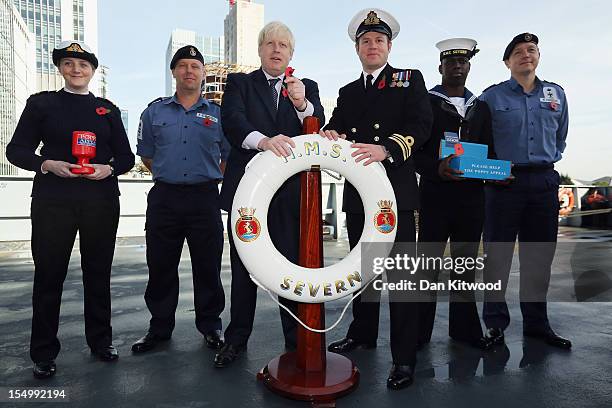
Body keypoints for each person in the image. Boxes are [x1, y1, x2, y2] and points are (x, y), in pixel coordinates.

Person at [6, 41, 135, 379]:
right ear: (60, 68)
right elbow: (16, 150)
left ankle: (101, 341)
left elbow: (125, 157)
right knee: (49, 275)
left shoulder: (107, 109)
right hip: (54, 200)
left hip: (100, 200)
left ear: (93, 70)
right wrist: (46, 163)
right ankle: (44, 352)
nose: (76, 70)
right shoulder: (42, 104)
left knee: (98, 273)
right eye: (69, 63)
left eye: (83, 64)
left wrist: (109, 169)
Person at [320, 8, 433, 389]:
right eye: (365, 41)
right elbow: (336, 123)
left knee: (401, 276)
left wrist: (387, 148)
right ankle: (363, 334)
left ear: (389, 46)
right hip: (359, 197)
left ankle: (404, 358)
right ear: (357, 49)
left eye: (379, 40)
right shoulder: (349, 92)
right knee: (363, 272)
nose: (372, 46)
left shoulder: (409, 80)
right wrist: (331, 134)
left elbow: (422, 125)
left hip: (396, 193)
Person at [214, 21, 325, 367]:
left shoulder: (306, 88)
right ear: (260, 49)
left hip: (291, 196)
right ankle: (236, 339)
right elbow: (232, 121)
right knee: (244, 267)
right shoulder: (240, 83)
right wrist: (263, 142)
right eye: (270, 44)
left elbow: (318, 125)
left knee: (291, 265)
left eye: (284, 46)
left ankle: (296, 343)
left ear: (291, 54)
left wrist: (302, 103)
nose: (276, 50)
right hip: (247, 195)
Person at [131, 45, 230, 353]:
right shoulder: (154, 112)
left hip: (204, 198)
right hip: (165, 198)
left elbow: (227, 157)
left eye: (195, 66)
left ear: (202, 74)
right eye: (183, 65)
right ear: (174, 72)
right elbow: (147, 155)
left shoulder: (218, 115)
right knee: (160, 265)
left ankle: (211, 326)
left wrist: (204, 176)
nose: (189, 71)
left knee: (208, 266)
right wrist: (171, 174)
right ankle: (159, 328)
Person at [479, 33, 571, 349]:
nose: (525, 55)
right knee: (497, 259)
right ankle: (494, 326)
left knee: (538, 259)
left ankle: (537, 325)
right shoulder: (491, 98)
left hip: (544, 183)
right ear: (507, 62)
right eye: (517, 52)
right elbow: (478, 141)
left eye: (531, 50)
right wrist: (492, 172)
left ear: (538, 56)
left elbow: (560, 138)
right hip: (504, 185)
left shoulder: (556, 94)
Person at [413, 38, 494, 350]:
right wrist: (436, 169)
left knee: (465, 267)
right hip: (435, 197)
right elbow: (415, 152)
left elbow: (490, 150)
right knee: (428, 268)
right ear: (441, 67)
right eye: (451, 62)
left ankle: (465, 331)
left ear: (469, 66)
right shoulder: (427, 102)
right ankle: (418, 336)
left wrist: (500, 173)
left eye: (463, 62)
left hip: (472, 199)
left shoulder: (481, 107)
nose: (457, 66)